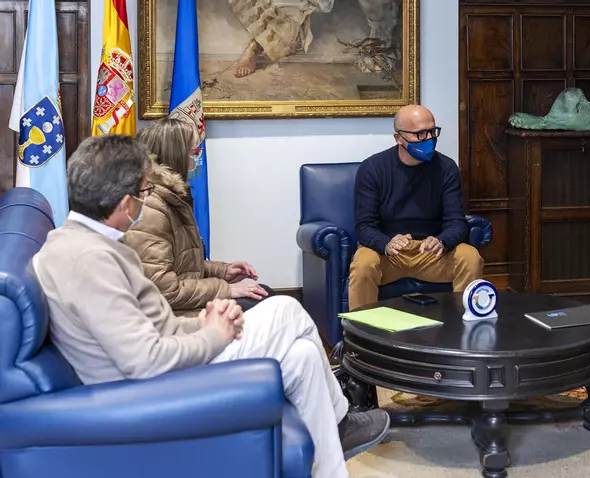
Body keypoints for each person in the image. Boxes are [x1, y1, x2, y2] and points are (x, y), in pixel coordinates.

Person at [32, 135, 390, 478]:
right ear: (125, 204)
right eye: (144, 192)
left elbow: (150, 328)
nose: (146, 199)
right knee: (287, 310)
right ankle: (342, 420)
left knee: (304, 357)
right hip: (154, 388)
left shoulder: (83, 243)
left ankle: (330, 465)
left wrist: (201, 324)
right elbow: (145, 361)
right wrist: (215, 335)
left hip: (172, 358)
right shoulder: (89, 260)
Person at [123, 118, 270, 314]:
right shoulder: (150, 207)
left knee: (264, 295)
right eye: (194, 153)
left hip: (183, 304)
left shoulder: (168, 197)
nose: (198, 159)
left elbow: (182, 267)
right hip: (169, 316)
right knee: (268, 304)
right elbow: (161, 290)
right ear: (175, 156)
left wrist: (223, 271)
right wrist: (225, 289)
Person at [348, 105, 484, 311]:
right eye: (420, 134)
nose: (429, 138)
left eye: (432, 131)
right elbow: (364, 225)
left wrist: (442, 241)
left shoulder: (447, 168)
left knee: (470, 257)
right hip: (389, 253)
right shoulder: (373, 168)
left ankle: (463, 325)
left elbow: (456, 222)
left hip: (431, 253)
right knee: (363, 263)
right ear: (398, 138)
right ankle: (361, 329)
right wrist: (386, 243)